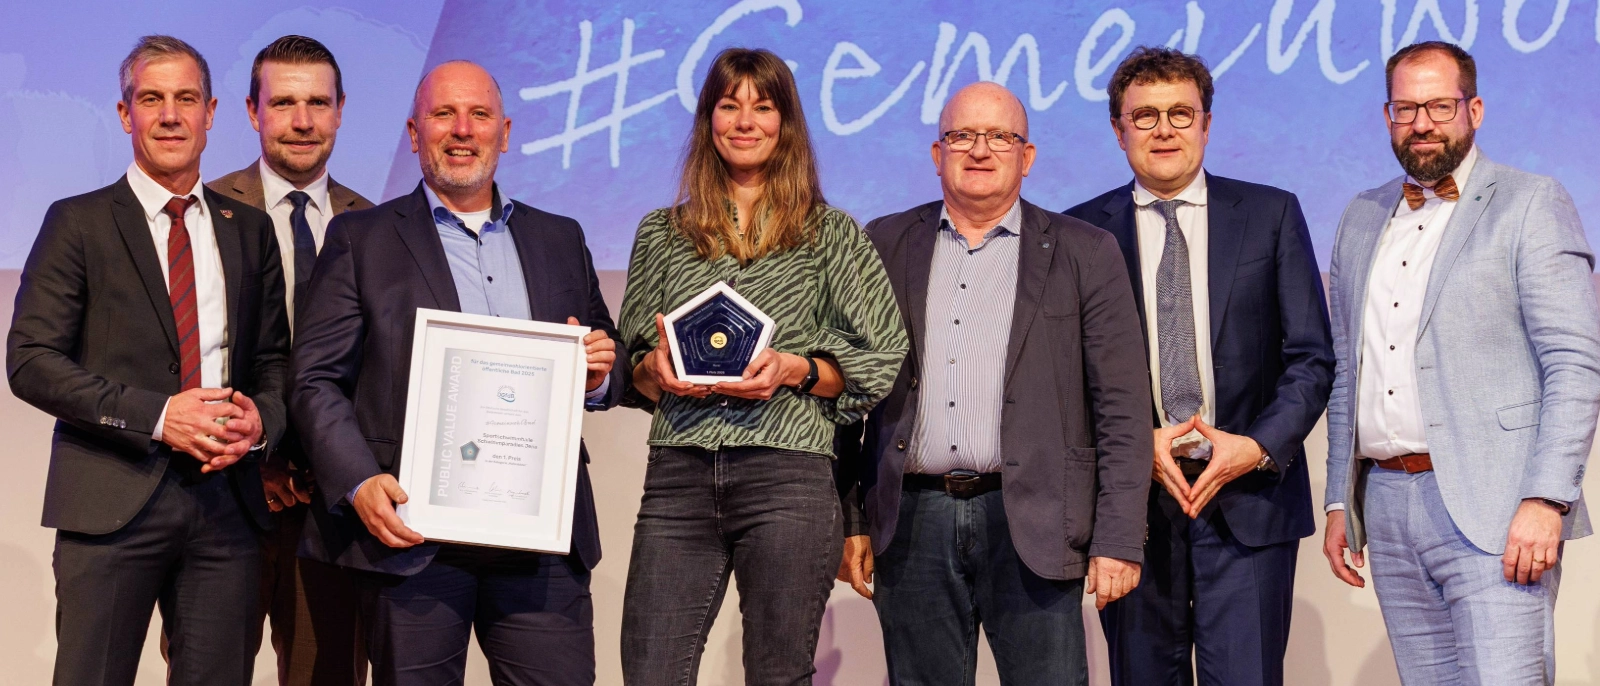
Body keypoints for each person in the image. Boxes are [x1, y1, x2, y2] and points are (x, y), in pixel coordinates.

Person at [289, 60, 624, 685]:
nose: (462, 130)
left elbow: (609, 354)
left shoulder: (559, 237)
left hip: (540, 539)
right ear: (415, 132)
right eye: (444, 114)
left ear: (505, 132)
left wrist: (598, 374)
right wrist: (358, 481)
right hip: (413, 534)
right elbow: (314, 380)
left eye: (479, 115)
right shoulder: (361, 238)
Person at [835, 81, 1152, 685]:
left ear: (1026, 157)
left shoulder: (1085, 251)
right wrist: (850, 519)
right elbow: (850, 391)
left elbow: (1123, 408)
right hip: (913, 520)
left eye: (1000, 137)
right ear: (937, 154)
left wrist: (1118, 538)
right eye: (962, 136)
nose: (980, 150)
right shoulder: (883, 243)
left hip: (1037, 517)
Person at [616, 48, 907, 686]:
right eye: (729, 106)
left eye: (763, 107)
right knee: (650, 670)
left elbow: (881, 354)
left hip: (788, 476)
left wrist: (794, 368)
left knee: (779, 674)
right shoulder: (662, 233)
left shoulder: (832, 234)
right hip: (679, 474)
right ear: (708, 120)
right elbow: (632, 365)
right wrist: (655, 370)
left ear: (786, 123)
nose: (745, 122)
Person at [7, 35, 289, 685]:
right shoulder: (77, 222)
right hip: (110, 499)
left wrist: (261, 424)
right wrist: (160, 417)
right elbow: (31, 360)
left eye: (186, 99)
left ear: (211, 113)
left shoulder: (249, 229)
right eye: (151, 98)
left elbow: (274, 362)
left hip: (228, 508)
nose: (169, 115)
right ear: (124, 113)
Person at [1322, 41, 1597, 685]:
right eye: (1406, 108)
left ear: (1474, 110)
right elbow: (1346, 370)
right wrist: (1339, 499)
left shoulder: (1531, 202)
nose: (1422, 123)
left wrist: (1546, 497)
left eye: (1440, 106)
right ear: (1387, 116)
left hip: (1498, 505)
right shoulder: (1361, 216)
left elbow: (1574, 362)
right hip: (1387, 504)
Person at [1063, 47, 1334, 686]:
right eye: (1145, 116)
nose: (1164, 130)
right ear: (1119, 130)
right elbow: (1067, 376)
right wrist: (1136, 445)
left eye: (1180, 114)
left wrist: (1254, 447)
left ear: (1207, 124)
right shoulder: (1078, 233)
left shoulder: (1271, 214)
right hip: (1133, 508)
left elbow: (1311, 357)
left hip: (1249, 500)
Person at [207, 34, 373, 686]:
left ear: (340, 111)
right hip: (221, 500)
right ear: (253, 111)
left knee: (325, 675)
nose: (302, 121)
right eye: (283, 103)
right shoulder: (202, 212)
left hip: (334, 508)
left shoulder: (378, 224)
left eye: (317, 103)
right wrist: (259, 457)